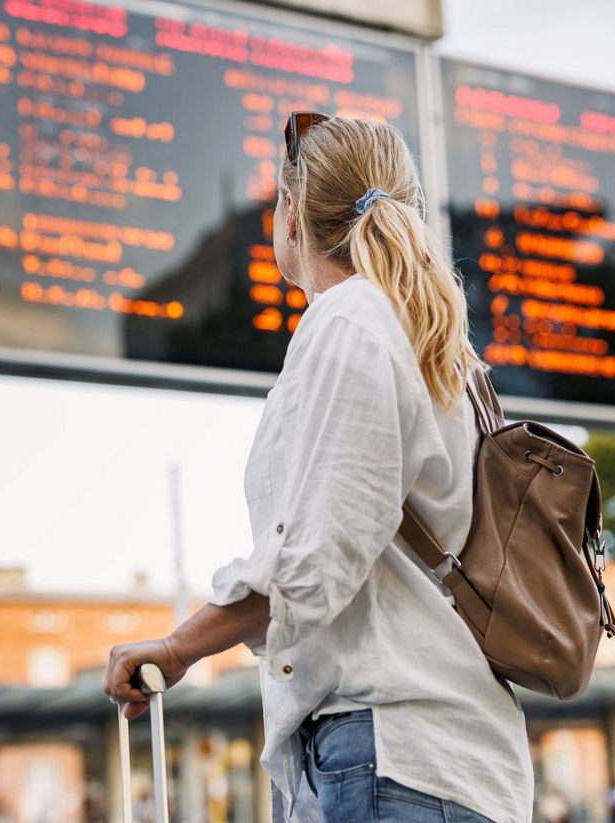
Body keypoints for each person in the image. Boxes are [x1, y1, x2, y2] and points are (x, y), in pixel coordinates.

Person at [104, 112, 533, 823]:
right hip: (447, 763)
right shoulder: (432, 340)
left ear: (293, 214)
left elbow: (311, 569)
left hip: (396, 758)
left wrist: (179, 647)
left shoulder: (351, 321)